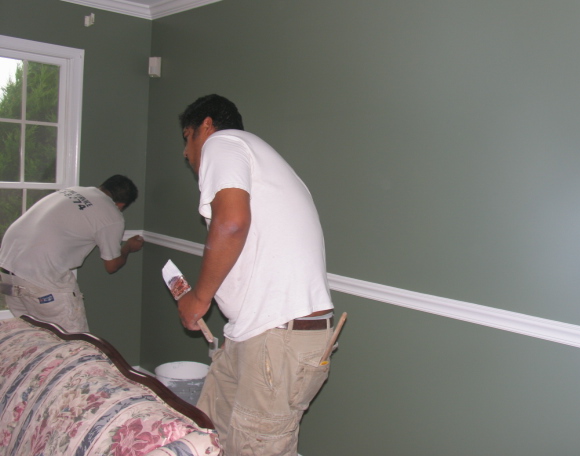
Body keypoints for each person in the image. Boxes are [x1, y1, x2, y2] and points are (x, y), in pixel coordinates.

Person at [177, 94, 335, 456]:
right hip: (255, 332)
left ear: (206, 126)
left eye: (187, 138)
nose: (185, 153)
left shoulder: (222, 143)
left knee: (255, 448)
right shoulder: (257, 158)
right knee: (208, 435)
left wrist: (198, 299)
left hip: (277, 338)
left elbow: (232, 223)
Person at [0, 174, 144, 333]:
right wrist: (128, 247)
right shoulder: (112, 215)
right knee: (73, 341)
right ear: (121, 205)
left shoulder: (72, 191)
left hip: (8, 273)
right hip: (41, 279)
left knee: (32, 338)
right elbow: (112, 265)